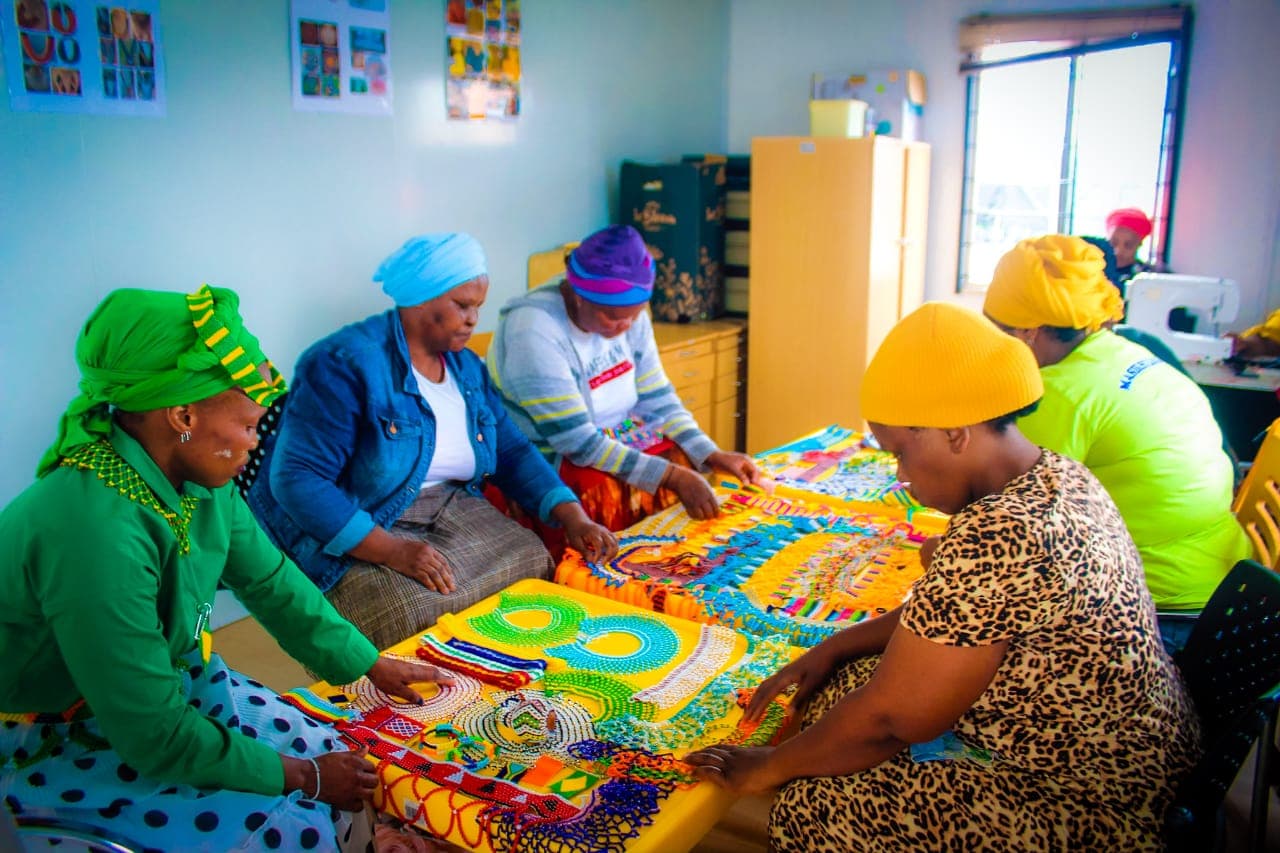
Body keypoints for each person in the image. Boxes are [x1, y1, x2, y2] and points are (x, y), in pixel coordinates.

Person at [685, 302, 1200, 851]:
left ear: (955, 433)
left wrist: (769, 766)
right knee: (844, 684)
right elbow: (950, 615)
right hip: (1144, 749)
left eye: (901, 454)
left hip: (1094, 800)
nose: (901, 477)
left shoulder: (1000, 532)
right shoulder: (1057, 474)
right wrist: (833, 646)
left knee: (815, 805)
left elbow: (894, 720)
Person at [0, 286, 452, 852]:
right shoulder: (93, 533)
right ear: (184, 415)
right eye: (248, 427)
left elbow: (269, 580)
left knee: (334, 749)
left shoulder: (196, 481)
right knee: (285, 828)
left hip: (163, 685)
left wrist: (367, 664)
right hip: (58, 730)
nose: (255, 445)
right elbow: (152, 732)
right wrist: (305, 779)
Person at [247, 234, 617, 651]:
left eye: (478, 307)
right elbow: (298, 479)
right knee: (412, 612)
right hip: (366, 515)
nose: (473, 319)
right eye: (463, 306)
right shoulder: (343, 363)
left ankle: (508, 677)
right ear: (420, 300)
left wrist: (572, 516)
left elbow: (511, 450)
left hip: (448, 504)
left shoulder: (465, 366)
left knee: (531, 560)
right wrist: (391, 551)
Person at [982, 235, 1251, 634]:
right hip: (1225, 581)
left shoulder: (1059, 392)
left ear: (1027, 332)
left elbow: (1008, 521)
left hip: (1161, 611)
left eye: (997, 331)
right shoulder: (1128, 353)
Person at [486, 224, 764, 532]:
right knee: (608, 487)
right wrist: (673, 477)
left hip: (613, 433)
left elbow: (658, 398)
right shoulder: (533, 330)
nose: (627, 326)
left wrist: (709, 453)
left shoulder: (629, 315)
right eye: (614, 317)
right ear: (578, 296)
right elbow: (578, 442)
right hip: (548, 455)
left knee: (684, 456)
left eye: (636, 313)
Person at [1105, 207, 1157, 287]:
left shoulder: (1149, 276)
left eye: (1128, 245)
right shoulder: (1092, 269)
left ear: (1139, 244)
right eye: (1113, 243)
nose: (1119, 251)